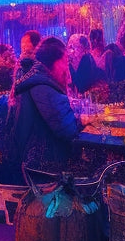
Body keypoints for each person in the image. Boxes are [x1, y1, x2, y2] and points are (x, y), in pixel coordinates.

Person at [9, 36, 83, 179]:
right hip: (43, 169)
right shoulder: (43, 87)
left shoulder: (38, 82)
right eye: (65, 62)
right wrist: (81, 122)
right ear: (54, 63)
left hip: (36, 163)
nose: (67, 69)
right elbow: (68, 130)